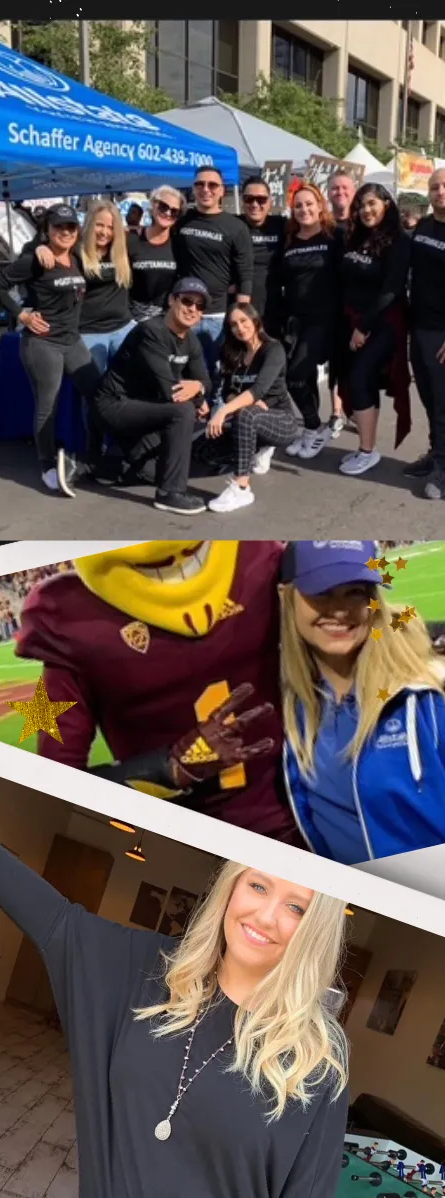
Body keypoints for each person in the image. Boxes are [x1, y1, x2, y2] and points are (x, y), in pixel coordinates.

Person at [0, 811, 348, 1198]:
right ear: (231, 886)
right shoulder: (147, 971)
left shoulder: (318, 1060)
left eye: (297, 906)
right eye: (258, 885)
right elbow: (54, 919)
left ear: (317, 929)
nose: (266, 916)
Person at [16, 542, 302, 845]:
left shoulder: (259, 557)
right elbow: (55, 790)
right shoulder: (73, 615)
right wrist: (170, 769)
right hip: (185, 843)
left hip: (304, 820)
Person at [278, 540, 445, 862]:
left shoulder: (425, 701)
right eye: (321, 591)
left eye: (355, 592)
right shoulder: (292, 704)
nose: (340, 610)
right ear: (286, 596)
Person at [31, 198, 135, 480]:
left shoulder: (124, 250)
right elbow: (42, 250)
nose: (104, 232)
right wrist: (39, 246)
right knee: (95, 395)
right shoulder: (77, 252)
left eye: (110, 227)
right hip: (87, 332)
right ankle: (94, 451)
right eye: (99, 225)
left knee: (133, 387)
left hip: (123, 328)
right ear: (89, 226)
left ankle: (129, 447)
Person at [92, 276, 212, 515]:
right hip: (114, 406)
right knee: (183, 412)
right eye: (187, 301)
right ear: (171, 300)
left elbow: (206, 381)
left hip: (145, 411)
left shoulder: (191, 341)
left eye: (199, 306)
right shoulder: (151, 331)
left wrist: (199, 389)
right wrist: (196, 397)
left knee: (155, 470)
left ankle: (95, 466)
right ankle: (170, 494)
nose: (192, 309)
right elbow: (169, 390)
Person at [0, 203, 89, 497]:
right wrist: (20, 315)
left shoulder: (76, 258)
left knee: (98, 392)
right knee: (48, 404)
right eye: (58, 226)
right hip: (43, 344)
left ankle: (87, 456)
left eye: (70, 227)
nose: (65, 231)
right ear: (47, 229)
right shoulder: (36, 259)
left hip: (72, 341)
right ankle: (47, 465)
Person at [335, 182, 412, 476]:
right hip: (352, 320)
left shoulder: (398, 240)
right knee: (360, 382)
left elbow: (391, 289)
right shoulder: (354, 236)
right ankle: (366, 449)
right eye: (361, 205)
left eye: (371, 204)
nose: (365, 210)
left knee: (360, 377)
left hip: (383, 323)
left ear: (386, 205)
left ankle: (367, 451)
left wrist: (363, 328)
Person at [203, 303, 302, 514]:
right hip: (247, 416)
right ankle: (259, 449)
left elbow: (259, 390)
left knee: (247, 414)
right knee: (207, 451)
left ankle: (241, 488)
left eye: (244, 321)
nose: (240, 328)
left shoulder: (273, 349)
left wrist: (223, 411)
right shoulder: (232, 352)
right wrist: (234, 404)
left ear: (255, 321)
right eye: (233, 324)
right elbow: (227, 391)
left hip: (282, 420)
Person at [277, 185, 339, 462]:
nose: (304, 210)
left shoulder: (335, 237)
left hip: (324, 320)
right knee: (306, 377)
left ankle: (315, 427)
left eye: (309, 204)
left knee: (296, 375)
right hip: (295, 321)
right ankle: (312, 429)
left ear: (320, 205)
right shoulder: (289, 239)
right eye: (298, 205)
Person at [171, 165, 254, 372]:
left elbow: (245, 272)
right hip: (185, 312)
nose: (205, 189)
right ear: (193, 188)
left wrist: (241, 316)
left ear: (221, 190)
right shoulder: (182, 222)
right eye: (200, 184)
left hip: (217, 315)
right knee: (182, 373)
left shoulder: (236, 226)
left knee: (216, 375)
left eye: (212, 185)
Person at [407, 167, 445, 499]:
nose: (440, 191)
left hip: (442, 333)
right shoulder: (423, 227)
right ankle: (436, 453)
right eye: (434, 187)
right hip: (418, 328)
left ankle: (444, 471)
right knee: (429, 400)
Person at [326, 172, 358, 439]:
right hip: (329, 305)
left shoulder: (362, 225)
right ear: (329, 193)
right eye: (335, 188)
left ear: (353, 191)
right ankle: (336, 412)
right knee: (336, 361)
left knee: (357, 362)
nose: (340, 192)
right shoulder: (322, 225)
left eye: (345, 187)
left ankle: (354, 408)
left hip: (357, 306)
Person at [126, 185, 182, 322]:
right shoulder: (132, 240)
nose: (168, 213)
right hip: (133, 321)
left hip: (167, 321)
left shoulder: (180, 244)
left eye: (174, 211)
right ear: (153, 205)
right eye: (163, 207)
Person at [236, 175, 284, 334]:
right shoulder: (232, 225)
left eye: (261, 199)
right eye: (249, 199)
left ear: (270, 202)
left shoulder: (283, 225)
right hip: (241, 310)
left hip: (274, 310)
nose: (255, 204)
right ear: (242, 202)